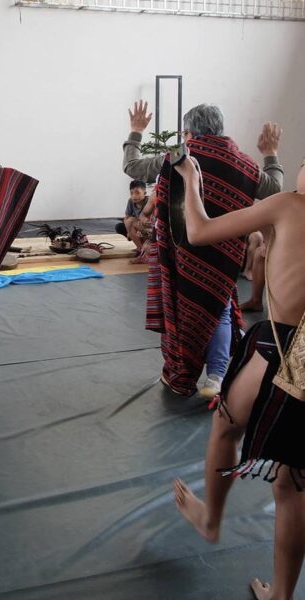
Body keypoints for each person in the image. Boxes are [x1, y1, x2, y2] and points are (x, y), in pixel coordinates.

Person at [173, 155, 305, 600]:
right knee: (293, 481)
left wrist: (191, 178)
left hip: (285, 349)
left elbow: (198, 231)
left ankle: (211, 519)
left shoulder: (289, 205)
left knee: (226, 425)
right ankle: (281, 595)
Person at [123, 100, 284, 398]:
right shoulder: (245, 164)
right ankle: (216, 376)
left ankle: (183, 375)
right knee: (219, 309)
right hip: (224, 256)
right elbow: (274, 188)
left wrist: (136, 131)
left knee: (184, 313)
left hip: (181, 253)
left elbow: (132, 167)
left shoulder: (179, 156)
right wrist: (270, 154)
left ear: (188, 133)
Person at [114, 179, 148, 252]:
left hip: (147, 226)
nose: (134, 196)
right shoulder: (131, 201)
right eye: (131, 193)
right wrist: (128, 231)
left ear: (144, 193)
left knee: (131, 221)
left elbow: (150, 220)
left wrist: (139, 229)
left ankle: (143, 246)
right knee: (119, 226)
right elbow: (126, 217)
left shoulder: (148, 202)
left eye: (137, 193)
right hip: (137, 225)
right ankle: (140, 247)